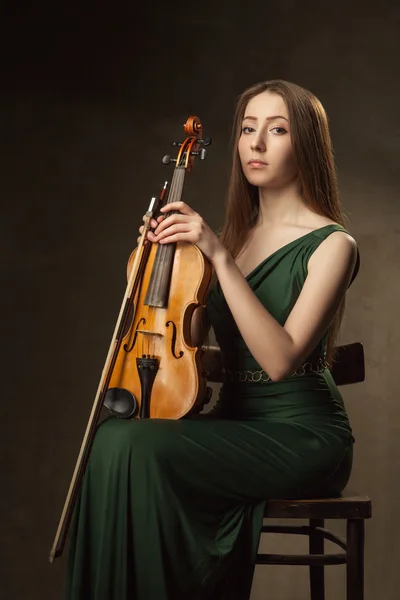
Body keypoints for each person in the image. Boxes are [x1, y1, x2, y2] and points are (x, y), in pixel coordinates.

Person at [65, 79, 359, 600]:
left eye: (277, 129)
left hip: (303, 436)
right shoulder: (237, 237)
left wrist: (217, 255)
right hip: (238, 423)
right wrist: (159, 268)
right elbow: (205, 350)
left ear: (307, 143)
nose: (257, 144)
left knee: (137, 446)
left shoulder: (333, 244)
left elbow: (279, 361)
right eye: (248, 129)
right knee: (113, 436)